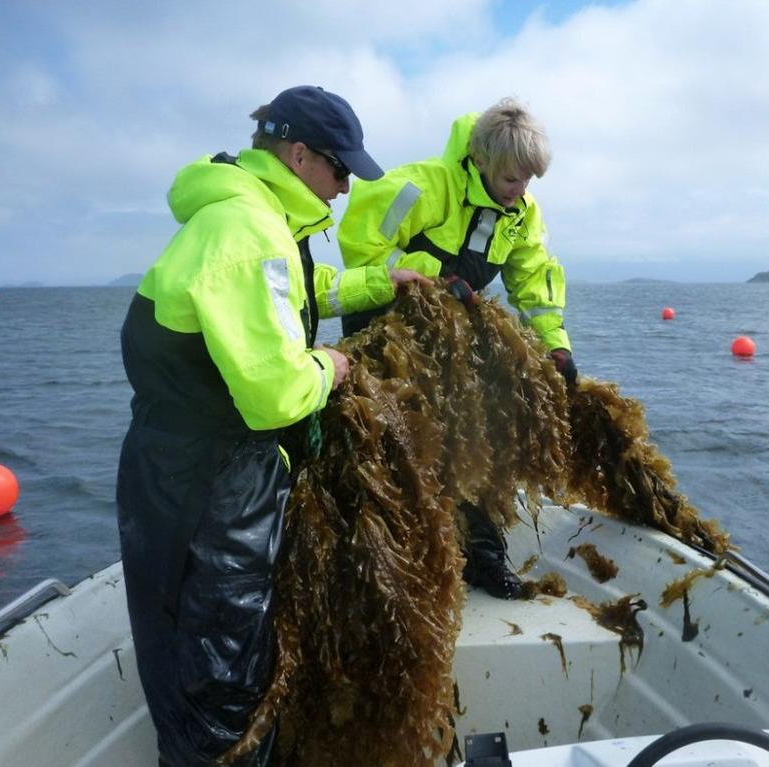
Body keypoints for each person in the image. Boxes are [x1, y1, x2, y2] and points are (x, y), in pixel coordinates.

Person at [116, 85, 428, 767]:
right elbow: (277, 395)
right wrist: (334, 367)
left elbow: (301, 297)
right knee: (219, 675)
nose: (346, 187)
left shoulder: (261, 221)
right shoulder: (248, 232)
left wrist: (383, 281)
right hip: (207, 480)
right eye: (340, 169)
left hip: (191, 463)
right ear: (299, 154)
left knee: (203, 644)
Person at [337, 97, 576, 600]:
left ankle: (483, 555)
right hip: (387, 327)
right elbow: (363, 248)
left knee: (477, 434)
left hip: (455, 335)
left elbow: (534, 279)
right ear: (482, 159)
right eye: (512, 179)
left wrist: (555, 346)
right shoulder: (421, 185)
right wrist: (428, 281)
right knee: (393, 443)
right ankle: (386, 565)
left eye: (529, 181)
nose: (520, 192)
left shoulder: (521, 213)